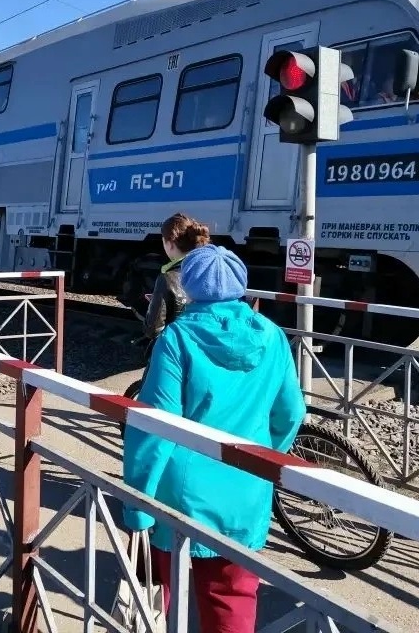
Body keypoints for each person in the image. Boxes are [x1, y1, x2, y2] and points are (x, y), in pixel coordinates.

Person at [122, 243, 307, 632]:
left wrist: (137, 501)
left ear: (188, 288)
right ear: (242, 286)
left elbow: (155, 425)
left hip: (176, 494)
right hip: (245, 489)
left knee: (155, 590)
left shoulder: (178, 338)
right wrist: (264, 457)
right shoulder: (273, 337)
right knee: (231, 596)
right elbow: (291, 412)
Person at [142, 213, 210, 343]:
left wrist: (154, 305)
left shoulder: (168, 278)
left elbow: (153, 330)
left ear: (170, 243)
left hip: (178, 349)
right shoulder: (208, 269)